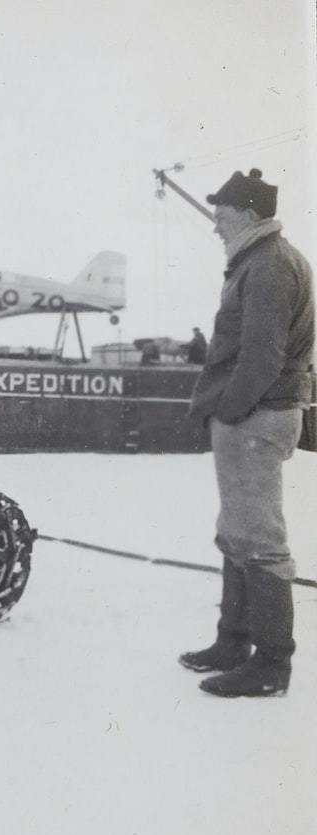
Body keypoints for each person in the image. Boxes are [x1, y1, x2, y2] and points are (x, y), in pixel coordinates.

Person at [179, 168, 315, 697]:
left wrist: (228, 411)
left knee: (258, 538)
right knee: (238, 529)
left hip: (254, 415)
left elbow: (262, 356)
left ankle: (271, 665)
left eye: (222, 215)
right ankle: (232, 641)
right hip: (254, 414)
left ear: (249, 215)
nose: (215, 225)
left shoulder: (268, 265)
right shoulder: (263, 260)